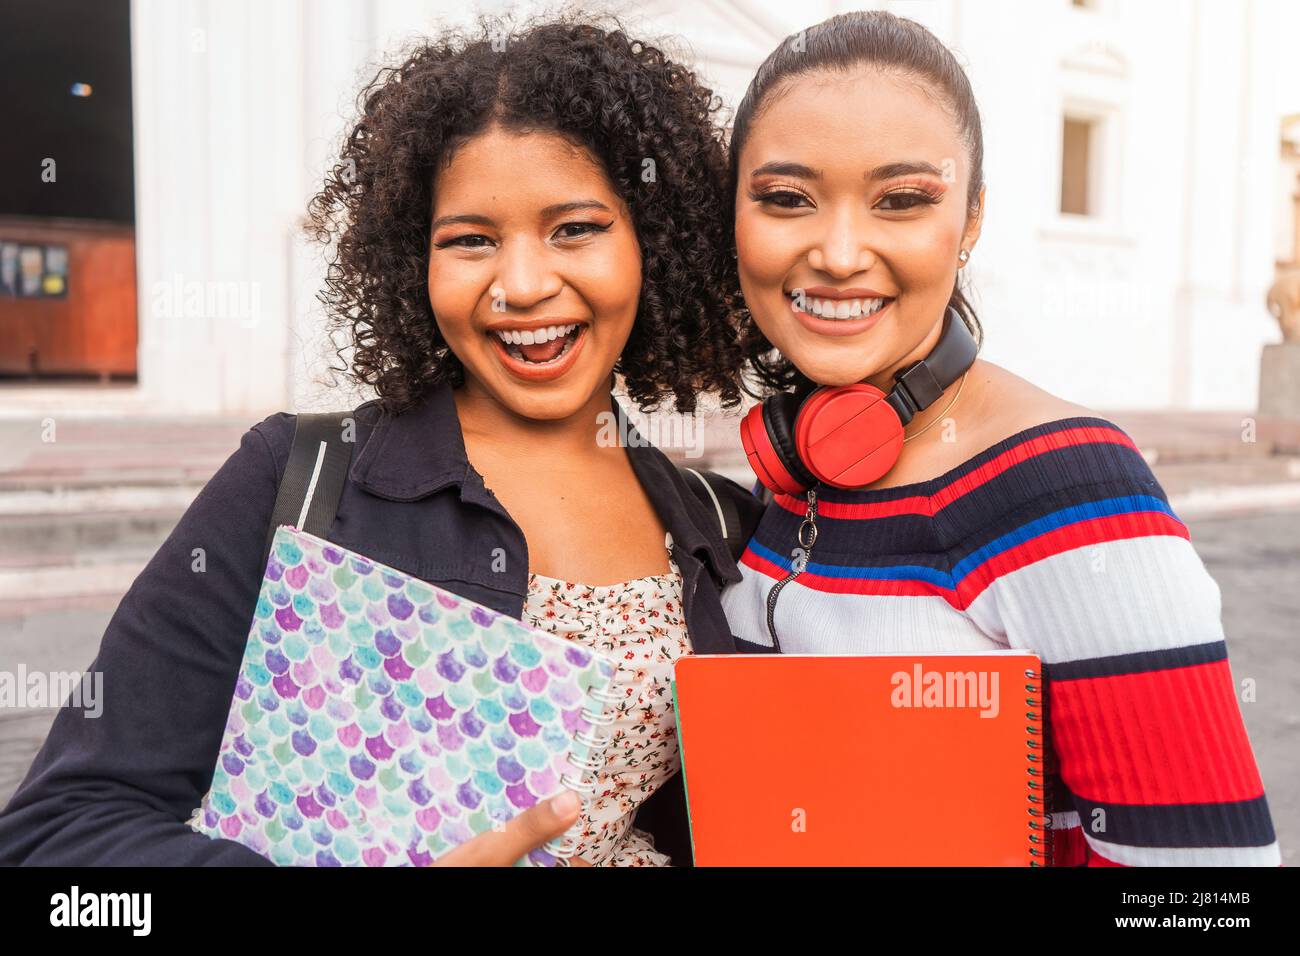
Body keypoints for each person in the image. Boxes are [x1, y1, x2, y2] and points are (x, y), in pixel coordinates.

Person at [0, 16, 762, 868]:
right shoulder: (297, 479)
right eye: (470, 240)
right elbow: (56, 834)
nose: (522, 284)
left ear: (651, 242)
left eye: (575, 228)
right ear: (413, 261)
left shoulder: (715, 525)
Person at [721, 10, 1280, 866]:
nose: (837, 253)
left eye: (902, 201)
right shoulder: (794, 469)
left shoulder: (1075, 492)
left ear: (972, 219)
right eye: (787, 199)